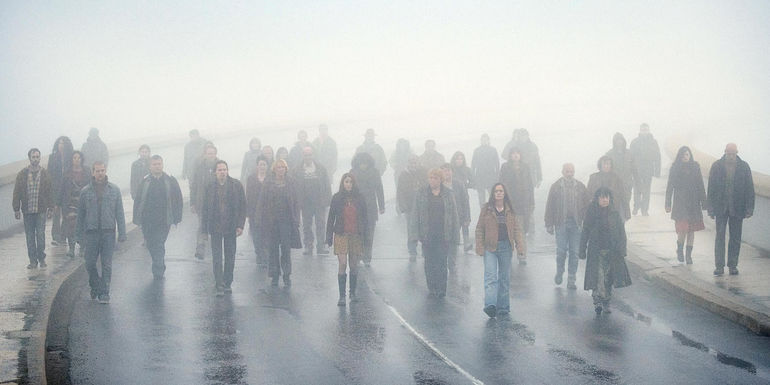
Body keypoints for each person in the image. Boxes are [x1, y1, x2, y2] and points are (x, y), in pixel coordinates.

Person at [76, 161, 127, 304]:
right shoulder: (85, 192)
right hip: (91, 233)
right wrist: (78, 235)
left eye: (102, 170)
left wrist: (122, 232)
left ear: (106, 171)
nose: (100, 173)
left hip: (108, 233)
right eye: (97, 171)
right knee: (90, 263)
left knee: (107, 264)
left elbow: (120, 213)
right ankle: (96, 285)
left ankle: (104, 292)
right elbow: (80, 215)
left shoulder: (114, 190)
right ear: (92, 172)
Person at [475, 183, 526, 318]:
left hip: (506, 247)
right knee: (490, 277)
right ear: (493, 193)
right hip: (490, 247)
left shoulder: (510, 210)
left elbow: (517, 230)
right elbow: (479, 228)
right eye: (496, 191)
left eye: (501, 191)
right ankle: (490, 305)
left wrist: (520, 246)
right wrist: (479, 246)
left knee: (504, 278)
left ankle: (503, 307)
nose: (498, 193)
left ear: (504, 193)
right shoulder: (486, 209)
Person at [579, 187, 631, 315]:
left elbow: (621, 232)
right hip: (596, 250)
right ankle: (597, 300)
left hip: (612, 250)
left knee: (608, 277)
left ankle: (606, 300)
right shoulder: (591, 212)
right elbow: (585, 230)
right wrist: (582, 248)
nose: (604, 200)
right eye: (602, 197)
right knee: (598, 276)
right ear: (597, 199)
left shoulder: (614, 213)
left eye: (607, 197)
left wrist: (622, 248)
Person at [409, 169, 460, 298]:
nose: (432, 180)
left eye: (435, 178)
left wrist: (455, 235)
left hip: (444, 234)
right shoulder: (421, 193)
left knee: (442, 262)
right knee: (429, 262)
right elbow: (415, 214)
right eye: (430, 178)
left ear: (440, 179)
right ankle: (432, 287)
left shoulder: (448, 194)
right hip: (427, 234)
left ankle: (441, 288)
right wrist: (414, 235)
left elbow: (454, 214)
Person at [707, 143, 754, 276]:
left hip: (737, 208)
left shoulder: (744, 167)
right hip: (720, 208)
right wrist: (710, 208)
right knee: (720, 237)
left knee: (735, 238)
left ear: (737, 153)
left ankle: (733, 265)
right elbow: (711, 189)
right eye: (729, 154)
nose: (731, 156)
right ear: (725, 152)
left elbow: (749, 188)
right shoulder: (716, 166)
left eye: (733, 154)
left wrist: (749, 208)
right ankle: (719, 266)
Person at [133, 155, 183, 279]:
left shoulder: (170, 180)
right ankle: (158, 262)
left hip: (164, 220)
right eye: (154, 164)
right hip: (148, 220)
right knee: (150, 244)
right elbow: (138, 200)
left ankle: (158, 268)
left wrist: (177, 217)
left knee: (159, 243)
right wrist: (137, 218)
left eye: (159, 164)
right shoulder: (145, 181)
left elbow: (178, 199)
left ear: (162, 164)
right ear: (150, 166)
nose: (157, 166)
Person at [200, 160, 246, 296]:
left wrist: (240, 225)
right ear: (215, 172)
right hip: (215, 227)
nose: (222, 172)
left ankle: (227, 282)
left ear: (228, 171)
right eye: (219, 170)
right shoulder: (209, 187)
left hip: (231, 226)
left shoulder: (236, 185)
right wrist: (204, 229)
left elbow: (243, 206)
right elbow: (205, 209)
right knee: (217, 257)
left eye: (224, 169)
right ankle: (219, 283)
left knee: (230, 256)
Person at [544, 163, 590, 289]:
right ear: (563, 172)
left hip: (576, 224)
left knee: (574, 252)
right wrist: (549, 223)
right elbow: (550, 206)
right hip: (561, 223)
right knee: (561, 251)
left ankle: (571, 279)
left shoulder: (580, 187)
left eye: (571, 171)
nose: (569, 174)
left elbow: (587, 206)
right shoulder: (556, 187)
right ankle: (560, 272)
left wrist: (587, 222)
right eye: (567, 171)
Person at [326, 173, 368, 306]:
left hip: (356, 235)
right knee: (343, 263)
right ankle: (342, 296)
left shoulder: (360, 198)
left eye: (350, 182)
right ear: (342, 183)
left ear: (354, 183)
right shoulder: (337, 198)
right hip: (341, 234)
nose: (348, 184)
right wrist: (328, 237)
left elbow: (365, 219)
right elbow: (331, 218)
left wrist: (366, 237)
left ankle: (352, 293)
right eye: (346, 182)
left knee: (354, 264)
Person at [257, 159, 301, 287]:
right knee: (273, 249)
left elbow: (296, 202)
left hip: (286, 221)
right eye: (278, 167)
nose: (281, 169)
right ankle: (274, 275)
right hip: (271, 222)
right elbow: (262, 201)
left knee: (286, 249)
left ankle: (287, 275)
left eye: (283, 167)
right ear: (274, 169)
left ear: (286, 169)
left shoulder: (291, 182)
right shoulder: (268, 183)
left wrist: (297, 218)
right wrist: (259, 218)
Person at [12, 148, 53, 269]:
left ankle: (41, 258)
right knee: (30, 236)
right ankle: (32, 261)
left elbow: (50, 192)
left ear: (40, 158)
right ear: (29, 158)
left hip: (40, 210)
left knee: (40, 235)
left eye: (37, 157)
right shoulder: (22, 174)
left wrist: (51, 208)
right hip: (27, 210)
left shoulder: (45, 174)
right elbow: (17, 192)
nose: (35, 159)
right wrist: (16, 208)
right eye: (33, 157)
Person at [665, 146, 706, 265]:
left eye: (687, 155)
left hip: (693, 203)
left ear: (690, 156)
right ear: (679, 156)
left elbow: (700, 185)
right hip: (680, 203)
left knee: (691, 230)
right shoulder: (675, 168)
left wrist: (704, 202)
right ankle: (680, 249)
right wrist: (668, 203)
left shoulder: (695, 167)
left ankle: (688, 255)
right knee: (682, 229)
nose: (685, 157)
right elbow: (670, 187)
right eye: (683, 155)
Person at [291, 147, 332, 256]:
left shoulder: (321, 168)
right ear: (302, 156)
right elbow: (294, 188)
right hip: (305, 203)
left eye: (310, 155)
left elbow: (327, 185)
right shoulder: (296, 170)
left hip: (319, 202)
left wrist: (328, 200)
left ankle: (321, 246)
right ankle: (308, 246)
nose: (308, 157)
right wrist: (296, 202)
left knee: (321, 224)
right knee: (307, 225)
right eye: (305, 155)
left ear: (313, 155)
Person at [350, 152, 385, 266]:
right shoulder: (352, 173)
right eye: (361, 163)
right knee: (357, 233)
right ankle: (358, 255)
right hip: (356, 207)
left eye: (365, 163)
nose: (363, 165)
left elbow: (379, 189)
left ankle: (367, 257)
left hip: (370, 207)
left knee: (369, 233)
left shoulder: (375, 172)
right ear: (357, 163)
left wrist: (382, 206)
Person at [499, 147, 535, 242]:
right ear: (510, 155)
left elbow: (530, 185)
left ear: (520, 155)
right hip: (510, 198)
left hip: (524, 199)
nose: (515, 155)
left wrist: (532, 201)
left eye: (517, 153)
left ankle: (521, 243)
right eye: (513, 153)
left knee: (524, 222)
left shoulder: (525, 167)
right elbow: (501, 183)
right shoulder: (505, 167)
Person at [191, 144, 219, 259]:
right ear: (205, 154)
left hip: (217, 203)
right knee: (202, 224)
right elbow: (194, 185)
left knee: (216, 226)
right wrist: (192, 202)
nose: (211, 155)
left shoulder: (220, 166)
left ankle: (217, 249)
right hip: (201, 202)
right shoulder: (199, 167)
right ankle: (200, 247)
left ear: (215, 154)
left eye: (212, 153)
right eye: (208, 153)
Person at [397, 155, 427, 260]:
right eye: (411, 163)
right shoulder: (403, 175)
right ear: (408, 164)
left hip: (423, 205)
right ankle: (412, 250)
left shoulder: (424, 173)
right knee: (411, 229)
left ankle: (425, 249)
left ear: (418, 163)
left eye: (415, 163)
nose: (413, 165)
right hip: (409, 206)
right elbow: (400, 191)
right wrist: (402, 205)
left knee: (424, 228)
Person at [60, 151, 89, 257]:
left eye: (78, 157)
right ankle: (71, 247)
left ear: (82, 159)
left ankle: (83, 246)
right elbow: (62, 189)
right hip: (70, 203)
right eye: (74, 158)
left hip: (84, 203)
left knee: (83, 224)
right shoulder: (67, 173)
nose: (77, 160)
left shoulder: (87, 171)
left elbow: (91, 186)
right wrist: (58, 204)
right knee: (71, 225)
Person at [630, 123, 661, 216]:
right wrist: (630, 170)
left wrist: (657, 171)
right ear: (640, 130)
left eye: (646, 130)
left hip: (648, 169)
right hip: (637, 170)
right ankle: (636, 206)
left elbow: (657, 157)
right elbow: (630, 157)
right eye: (643, 130)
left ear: (649, 130)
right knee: (637, 189)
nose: (644, 132)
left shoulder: (653, 142)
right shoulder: (635, 142)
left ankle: (645, 209)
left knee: (647, 191)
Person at [440, 164, 471, 257]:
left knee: (464, 227)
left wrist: (467, 217)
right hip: (444, 216)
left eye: (449, 170)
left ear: (452, 172)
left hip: (459, 213)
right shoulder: (438, 185)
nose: (447, 173)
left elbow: (465, 201)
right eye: (444, 170)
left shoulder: (459, 184)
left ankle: (466, 244)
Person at [587, 156, 630, 221]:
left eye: (608, 164)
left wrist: (627, 212)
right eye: (604, 164)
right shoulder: (593, 178)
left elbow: (623, 195)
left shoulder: (617, 178)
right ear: (600, 165)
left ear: (611, 165)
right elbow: (588, 195)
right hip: (597, 211)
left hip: (613, 210)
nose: (606, 166)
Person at [48, 136, 74, 245]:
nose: (61, 146)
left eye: (63, 143)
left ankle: (63, 236)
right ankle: (56, 236)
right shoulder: (53, 157)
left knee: (66, 213)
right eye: (59, 143)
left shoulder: (71, 158)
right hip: (55, 189)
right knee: (56, 212)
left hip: (67, 190)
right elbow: (49, 174)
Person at [246, 157, 270, 266]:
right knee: (256, 235)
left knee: (266, 235)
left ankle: (265, 256)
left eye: (264, 164)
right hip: (254, 211)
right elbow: (248, 196)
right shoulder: (251, 179)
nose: (262, 167)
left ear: (267, 166)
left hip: (268, 211)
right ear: (257, 166)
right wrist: (248, 213)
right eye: (260, 164)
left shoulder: (271, 178)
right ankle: (259, 254)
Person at [605, 133, 636, 215]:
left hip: (627, 184)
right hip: (613, 185)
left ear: (624, 141)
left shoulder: (630, 154)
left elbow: (634, 169)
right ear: (614, 142)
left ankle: (622, 222)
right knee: (614, 205)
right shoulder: (609, 154)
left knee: (625, 204)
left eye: (621, 140)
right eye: (617, 140)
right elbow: (605, 170)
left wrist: (637, 182)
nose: (619, 142)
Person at [471, 133, 500, 207]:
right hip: (480, 177)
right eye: (483, 140)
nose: (484, 141)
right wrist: (473, 179)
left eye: (486, 140)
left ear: (488, 140)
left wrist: (497, 176)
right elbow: (473, 165)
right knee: (481, 200)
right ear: (481, 141)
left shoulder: (493, 150)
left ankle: (494, 212)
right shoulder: (477, 150)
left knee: (493, 197)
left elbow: (497, 164)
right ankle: (483, 214)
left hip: (491, 176)